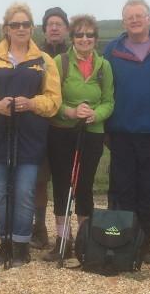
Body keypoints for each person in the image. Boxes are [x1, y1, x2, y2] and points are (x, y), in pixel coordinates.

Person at [0, 2, 61, 267]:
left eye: (25, 24)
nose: (21, 29)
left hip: (30, 137)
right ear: (7, 29)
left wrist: (33, 103)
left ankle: (21, 245)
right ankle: (6, 242)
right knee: (1, 191)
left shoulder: (43, 61)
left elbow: (54, 99)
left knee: (24, 192)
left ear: (32, 28)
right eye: (15, 25)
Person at [104, 0, 150, 264]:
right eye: (129, 17)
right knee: (123, 187)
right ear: (123, 22)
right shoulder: (111, 49)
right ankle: (124, 237)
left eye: (139, 16)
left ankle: (147, 240)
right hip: (120, 130)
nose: (135, 20)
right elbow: (104, 88)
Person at [43, 14, 114, 261]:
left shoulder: (104, 66)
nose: (85, 39)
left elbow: (109, 101)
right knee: (62, 184)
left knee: (84, 186)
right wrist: (70, 112)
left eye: (89, 35)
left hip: (92, 132)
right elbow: (51, 98)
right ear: (72, 38)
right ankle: (63, 240)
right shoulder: (59, 62)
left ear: (96, 38)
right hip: (62, 130)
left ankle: (85, 241)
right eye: (79, 35)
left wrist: (96, 114)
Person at [30, 6, 70, 249]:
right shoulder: (34, 55)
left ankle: (65, 233)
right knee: (39, 180)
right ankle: (39, 228)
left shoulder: (77, 53)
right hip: (40, 126)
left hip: (66, 126)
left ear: (66, 29)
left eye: (59, 24)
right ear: (44, 30)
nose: (54, 28)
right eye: (50, 24)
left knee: (64, 181)